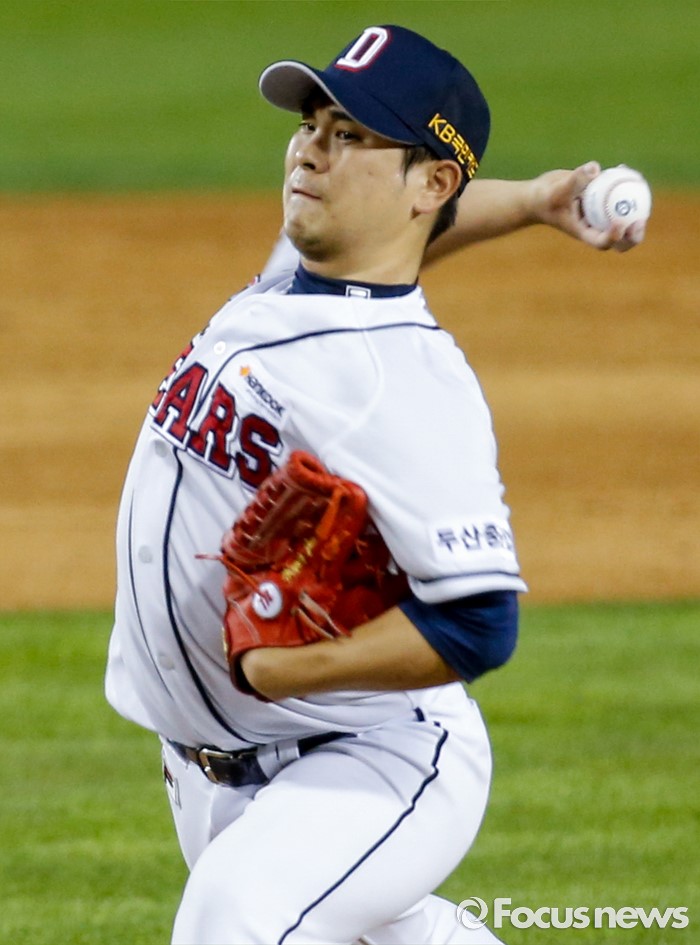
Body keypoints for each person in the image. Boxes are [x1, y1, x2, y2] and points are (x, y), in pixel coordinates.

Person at [105, 24, 643, 945]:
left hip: (371, 760)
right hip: (220, 770)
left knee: (234, 920)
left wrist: (288, 665)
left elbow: (479, 622)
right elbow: (414, 229)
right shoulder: (302, 278)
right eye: (311, 124)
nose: (311, 149)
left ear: (430, 181)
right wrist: (537, 199)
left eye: (352, 134)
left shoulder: (403, 383)